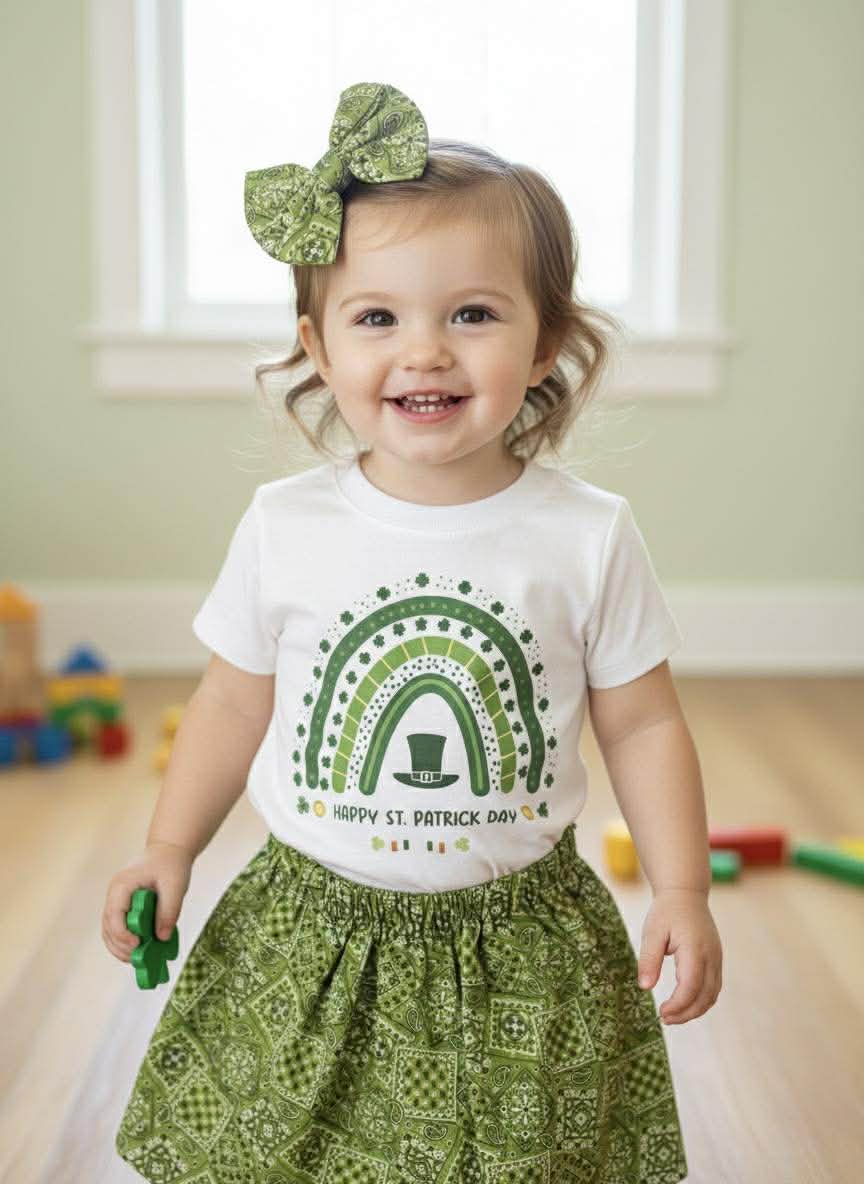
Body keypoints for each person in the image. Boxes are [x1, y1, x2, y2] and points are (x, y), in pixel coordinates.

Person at [105, 81, 721, 1182]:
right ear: (318, 344)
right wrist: (169, 847)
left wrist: (682, 888)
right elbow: (232, 701)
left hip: (521, 941)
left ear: (546, 342)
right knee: (286, 1149)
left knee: (526, 1156)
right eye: (378, 317)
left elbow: (643, 725)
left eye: (472, 314)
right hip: (312, 933)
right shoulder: (285, 525)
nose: (425, 351)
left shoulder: (587, 535)